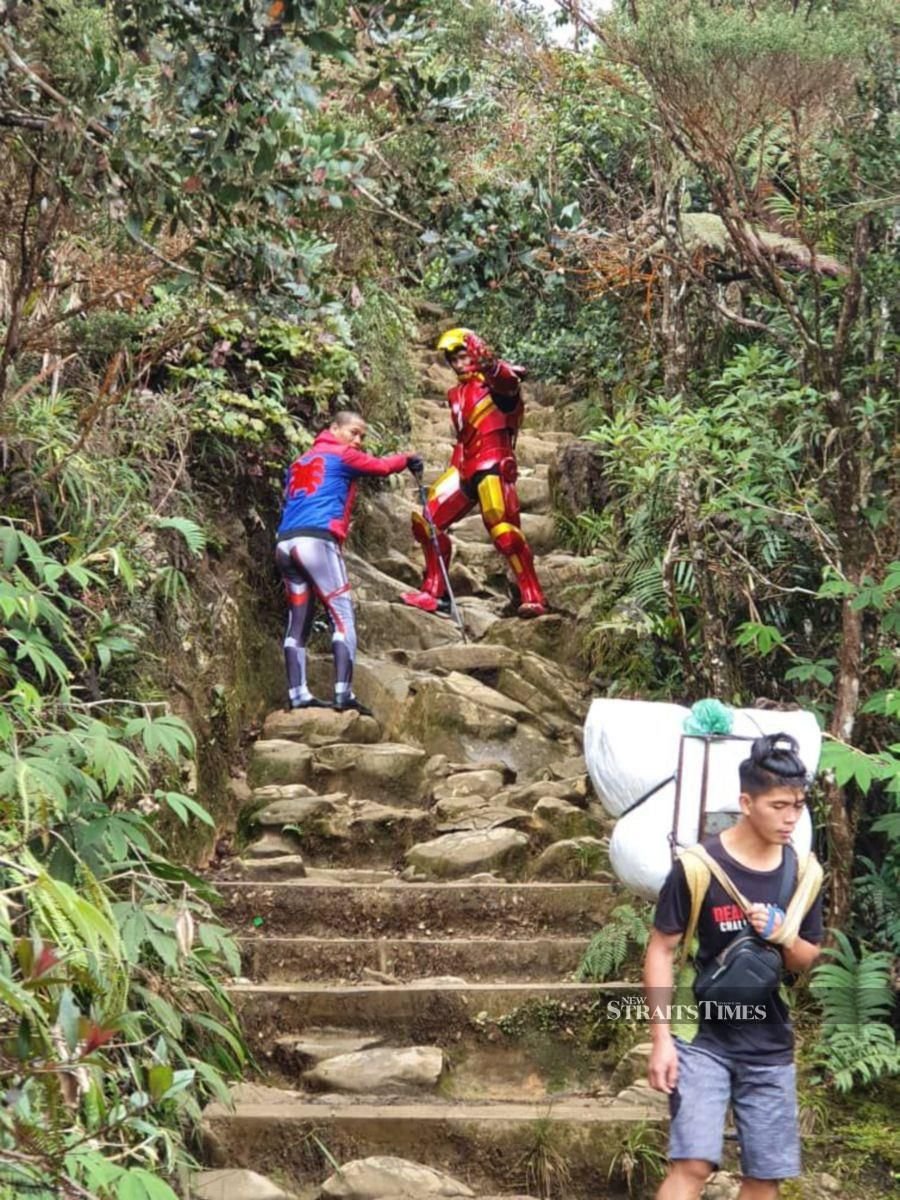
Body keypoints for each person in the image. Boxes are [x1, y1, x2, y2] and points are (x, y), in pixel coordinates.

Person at [644, 733, 824, 1200]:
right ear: (746, 802)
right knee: (693, 1163)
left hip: (770, 1042)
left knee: (765, 1176)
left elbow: (809, 959)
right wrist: (661, 1039)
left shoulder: (805, 873)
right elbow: (662, 949)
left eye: (799, 806)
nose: (790, 818)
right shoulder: (698, 867)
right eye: (779, 805)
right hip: (700, 1036)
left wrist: (785, 936)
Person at [276, 410, 422, 715]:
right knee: (342, 616)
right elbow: (382, 467)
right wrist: (408, 457)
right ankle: (343, 694)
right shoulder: (343, 455)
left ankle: (298, 693)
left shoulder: (299, 461)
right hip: (317, 542)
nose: (357, 440)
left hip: (286, 543)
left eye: (361, 436)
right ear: (333, 429)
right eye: (353, 432)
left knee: (298, 621)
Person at [400, 328, 547, 619]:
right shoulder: (455, 393)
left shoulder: (498, 383)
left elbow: (505, 382)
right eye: (453, 359)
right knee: (427, 521)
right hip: (464, 465)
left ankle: (532, 594)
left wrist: (489, 363)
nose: (458, 364)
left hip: (493, 463)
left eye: (464, 356)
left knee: (503, 531)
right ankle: (435, 592)